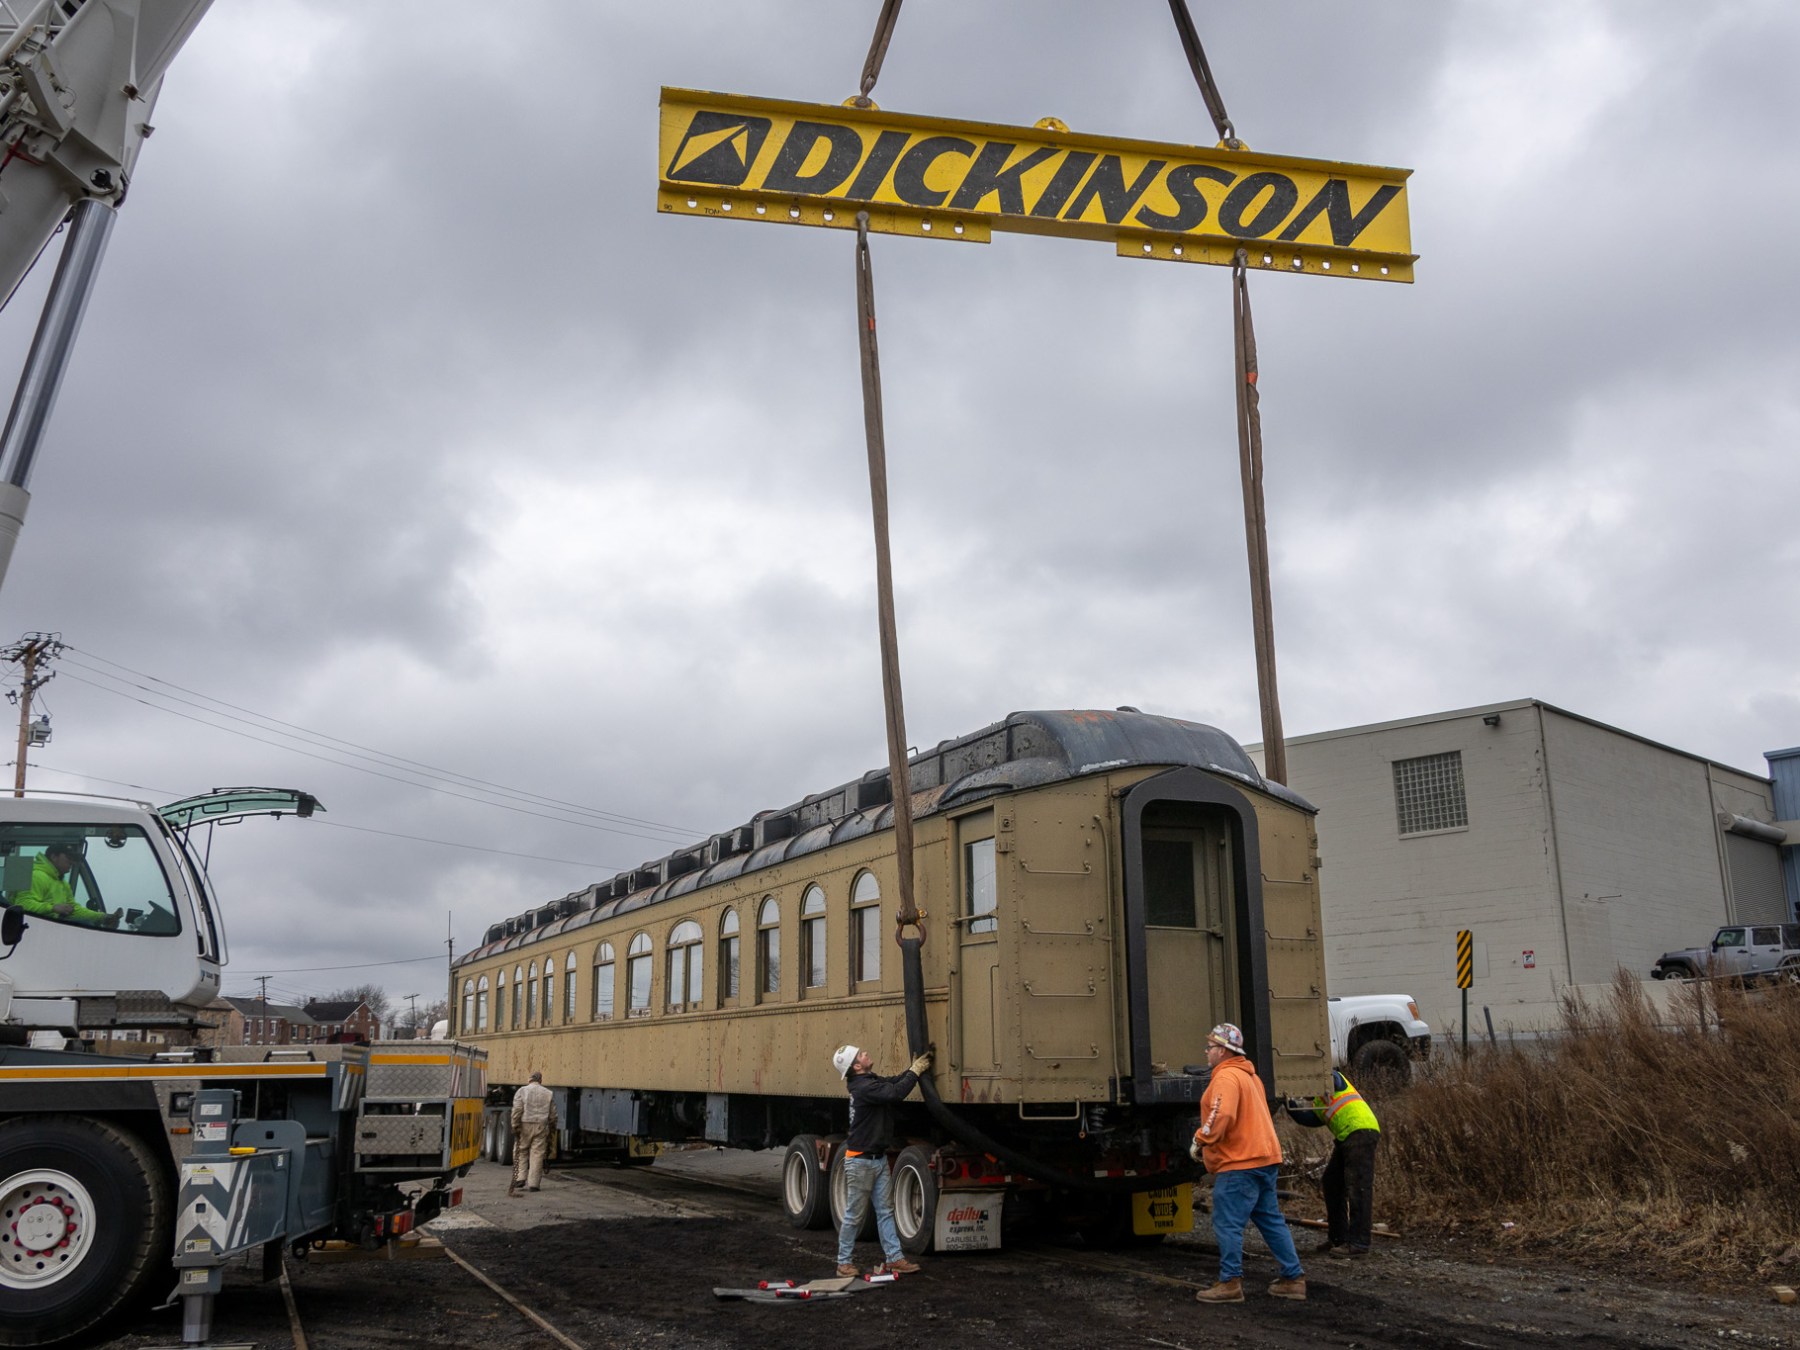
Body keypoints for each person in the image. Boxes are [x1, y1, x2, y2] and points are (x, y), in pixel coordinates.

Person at [1190, 1022, 1306, 1303]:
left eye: (1210, 1046)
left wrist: (1201, 1139)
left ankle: (1230, 1283)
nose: (1206, 1051)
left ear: (1222, 1050)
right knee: (1270, 1219)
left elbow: (1221, 1114)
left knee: (1227, 1222)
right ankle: (1293, 1279)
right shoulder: (1250, 1077)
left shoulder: (1226, 1077)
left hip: (1240, 1162)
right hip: (1265, 1158)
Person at [831, 1040, 932, 1277]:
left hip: (875, 1158)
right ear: (857, 1067)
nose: (866, 1053)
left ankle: (894, 1259)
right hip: (861, 1161)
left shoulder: (868, 1082)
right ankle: (843, 1263)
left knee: (885, 1211)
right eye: (861, 1054)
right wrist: (915, 1072)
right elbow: (895, 1093)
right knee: (854, 1215)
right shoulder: (865, 1088)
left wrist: (911, 1070)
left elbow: (893, 1082)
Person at [1288, 1068, 1381, 1257]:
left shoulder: (1332, 1078)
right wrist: (1286, 1101)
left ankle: (1359, 1243)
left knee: (1359, 1188)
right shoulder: (1319, 1103)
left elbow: (1329, 1076)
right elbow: (1305, 1119)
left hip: (1360, 1131)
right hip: (1348, 1136)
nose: (1303, 1095)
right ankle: (1338, 1237)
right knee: (1332, 1182)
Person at [12, 844, 117, 928]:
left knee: (87, 925)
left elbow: (74, 910)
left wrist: (102, 917)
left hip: (51, 927)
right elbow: (22, 904)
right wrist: (53, 908)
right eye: (68, 857)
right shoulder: (36, 876)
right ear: (54, 857)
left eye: (73, 858)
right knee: (85, 926)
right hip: (33, 928)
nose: (72, 862)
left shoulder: (62, 883)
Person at [507, 1071, 554, 1196]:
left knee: (520, 1150)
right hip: (541, 1125)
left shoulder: (522, 1091)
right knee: (537, 1154)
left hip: (525, 1125)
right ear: (540, 1080)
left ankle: (520, 1178)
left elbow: (517, 1110)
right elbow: (553, 1114)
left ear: (529, 1080)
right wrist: (552, 1125)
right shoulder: (548, 1093)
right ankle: (534, 1184)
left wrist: (514, 1125)